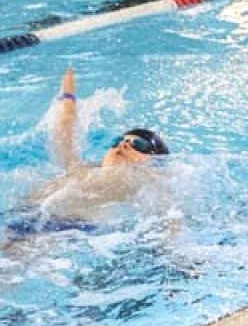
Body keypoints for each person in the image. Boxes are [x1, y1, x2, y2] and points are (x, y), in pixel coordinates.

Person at [30, 65, 170, 223]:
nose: (123, 145)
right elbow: (64, 136)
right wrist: (68, 95)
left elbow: (172, 216)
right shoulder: (80, 169)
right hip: (29, 216)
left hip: (71, 229)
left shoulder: (147, 183)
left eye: (138, 144)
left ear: (154, 161)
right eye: (117, 141)